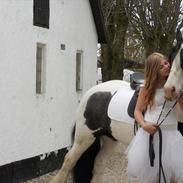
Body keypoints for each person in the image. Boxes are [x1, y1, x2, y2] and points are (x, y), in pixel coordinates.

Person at [125, 52, 183, 183]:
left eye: (167, 63)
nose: (167, 66)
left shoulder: (177, 86)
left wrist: (179, 96)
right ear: (154, 70)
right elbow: (138, 111)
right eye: (162, 66)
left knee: (172, 177)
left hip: (172, 135)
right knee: (151, 177)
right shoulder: (146, 87)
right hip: (150, 135)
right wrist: (144, 125)